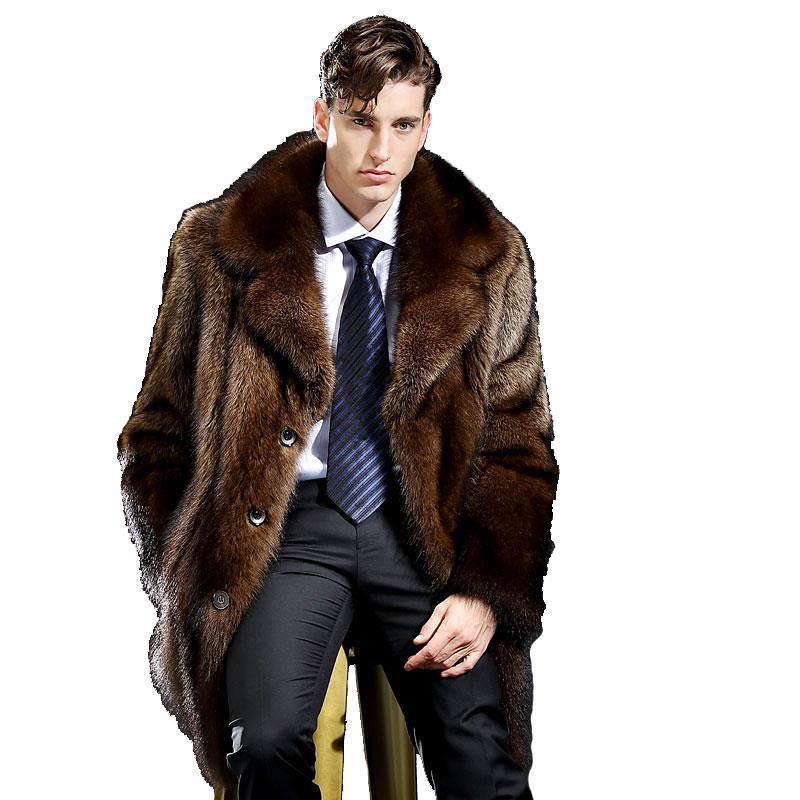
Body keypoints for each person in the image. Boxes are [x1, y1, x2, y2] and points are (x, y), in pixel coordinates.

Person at [116, 14, 559, 800]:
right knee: (267, 744)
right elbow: (156, 433)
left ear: (426, 127)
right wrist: (191, 565)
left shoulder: (489, 254)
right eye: (360, 122)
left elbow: (518, 443)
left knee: (483, 766)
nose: (380, 150)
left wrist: (485, 589)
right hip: (280, 529)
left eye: (402, 125)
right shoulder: (216, 245)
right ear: (323, 117)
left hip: (424, 538)